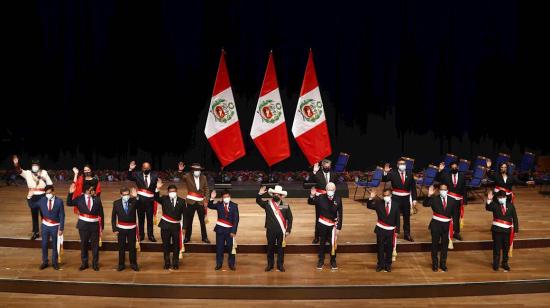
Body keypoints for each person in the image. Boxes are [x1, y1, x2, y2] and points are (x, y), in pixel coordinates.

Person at [13, 155, 53, 240]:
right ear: (31, 166)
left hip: (42, 196)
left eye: (36, 165)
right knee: (34, 215)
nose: (35, 166)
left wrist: (42, 178)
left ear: (39, 165)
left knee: (44, 215)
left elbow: (50, 184)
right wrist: (16, 164)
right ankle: (36, 232)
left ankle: (45, 232)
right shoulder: (27, 173)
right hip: (33, 196)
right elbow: (19, 171)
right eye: (33, 165)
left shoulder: (44, 172)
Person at [67, 183, 104, 271]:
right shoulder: (79, 199)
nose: (93, 191)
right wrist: (70, 193)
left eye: (93, 190)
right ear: (86, 191)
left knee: (95, 246)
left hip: (94, 226)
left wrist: (101, 226)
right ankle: (84, 263)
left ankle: (95, 264)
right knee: (84, 245)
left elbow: (101, 213)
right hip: (83, 225)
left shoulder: (97, 199)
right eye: (91, 190)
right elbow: (69, 203)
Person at [423, 184, 459, 272]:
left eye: (445, 189)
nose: (443, 191)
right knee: (434, 245)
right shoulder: (434, 198)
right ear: (439, 190)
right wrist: (429, 195)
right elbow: (425, 204)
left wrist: (455, 228)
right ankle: (435, 264)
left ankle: (443, 264)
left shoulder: (452, 200)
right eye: (441, 189)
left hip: (447, 226)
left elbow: (455, 215)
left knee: (444, 246)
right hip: (436, 225)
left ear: (447, 190)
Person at [256, 185, 293, 272]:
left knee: (281, 249)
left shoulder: (285, 205)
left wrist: (288, 230)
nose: (276, 196)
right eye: (274, 194)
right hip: (270, 230)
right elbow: (258, 201)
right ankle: (270, 265)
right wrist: (259, 194)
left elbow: (290, 218)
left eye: (278, 194)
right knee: (270, 248)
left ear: (281, 196)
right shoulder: (268, 204)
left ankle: (280, 265)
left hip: (281, 231)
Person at [28, 185, 64, 270]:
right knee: (44, 244)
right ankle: (45, 262)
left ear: (53, 192)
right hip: (45, 226)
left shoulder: (59, 201)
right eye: (46, 193)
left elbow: (62, 215)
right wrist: (29, 197)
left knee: (55, 245)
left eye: (49, 193)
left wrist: (61, 228)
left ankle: (55, 263)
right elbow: (32, 206)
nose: (48, 194)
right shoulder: (42, 200)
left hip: (55, 226)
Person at [308, 182, 343, 270]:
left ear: (335, 190)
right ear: (326, 190)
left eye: (332, 189)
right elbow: (311, 202)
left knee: (333, 243)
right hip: (322, 224)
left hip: (333, 225)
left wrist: (339, 227)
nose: (330, 191)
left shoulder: (338, 199)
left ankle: (333, 261)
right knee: (322, 243)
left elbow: (340, 213)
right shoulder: (320, 197)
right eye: (328, 189)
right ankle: (321, 260)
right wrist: (312, 195)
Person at [382, 158, 417, 242]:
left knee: (406, 217)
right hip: (395, 198)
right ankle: (393, 233)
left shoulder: (410, 174)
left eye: (403, 163)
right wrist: (385, 172)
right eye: (400, 163)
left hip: (406, 199)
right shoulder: (392, 173)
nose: (402, 165)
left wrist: (414, 199)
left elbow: (413, 188)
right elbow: (384, 179)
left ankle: (407, 234)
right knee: (394, 216)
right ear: (397, 165)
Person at [155, 181, 187, 270]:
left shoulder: (182, 201)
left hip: (176, 227)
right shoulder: (164, 199)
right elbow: (155, 197)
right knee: (166, 245)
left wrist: (184, 227)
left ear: (176, 192)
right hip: (165, 226)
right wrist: (157, 188)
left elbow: (185, 215)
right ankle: (167, 262)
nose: (172, 193)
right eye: (170, 191)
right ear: (168, 192)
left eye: (174, 191)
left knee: (176, 246)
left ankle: (175, 262)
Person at [366, 188, 400, 272]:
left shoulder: (396, 205)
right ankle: (380, 264)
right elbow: (369, 206)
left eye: (387, 195)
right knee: (380, 248)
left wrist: (397, 231)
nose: (386, 197)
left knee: (389, 248)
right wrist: (371, 198)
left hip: (391, 230)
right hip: (380, 229)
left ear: (391, 195)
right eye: (384, 195)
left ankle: (388, 265)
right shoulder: (379, 203)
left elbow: (398, 219)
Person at [486, 190, 519, 271]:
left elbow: (515, 218)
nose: (501, 199)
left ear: (506, 197)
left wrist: (516, 231)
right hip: (497, 231)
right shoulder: (494, 205)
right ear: (497, 198)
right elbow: (488, 208)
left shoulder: (510, 205)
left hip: (507, 231)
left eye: (503, 197)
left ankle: (505, 263)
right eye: (499, 197)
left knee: (506, 248)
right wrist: (489, 200)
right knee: (496, 248)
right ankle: (496, 264)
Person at [208, 189, 239, 271]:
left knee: (231, 248)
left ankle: (231, 264)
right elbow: (209, 206)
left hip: (230, 232)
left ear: (230, 197)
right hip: (220, 231)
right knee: (219, 248)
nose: (226, 198)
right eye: (224, 197)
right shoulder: (219, 204)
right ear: (222, 198)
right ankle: (219, 264)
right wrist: (211, 198)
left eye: (227, 196)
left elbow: (236, 220)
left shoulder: (234, 206)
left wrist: (233, 231)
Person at [127, 161, 158, 242]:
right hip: (140, 201)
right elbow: (129, 177)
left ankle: (150, 235)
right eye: (144, 168)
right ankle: (141, 235)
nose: (146, 169)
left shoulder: (155, 175)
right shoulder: (137, 174)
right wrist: (130, 169)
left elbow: (157, 186)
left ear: (150, 168)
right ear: (142, 168)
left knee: (150, 219)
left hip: (150, 201)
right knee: (141, 219)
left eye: (147, 168)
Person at [436, 161, 466, 240]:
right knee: (447, 215)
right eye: (453, 168)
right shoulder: (446, 175)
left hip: (458, 200)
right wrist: (440, 170)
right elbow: (438, 179)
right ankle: (444, 231)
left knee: (456, 216)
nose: (454, 169)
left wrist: (465, 200)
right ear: (450, 168)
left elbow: (464, 188)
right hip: (448, 199)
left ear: (458, 168)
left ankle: (456, 232)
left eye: (455, 167)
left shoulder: (462, 176)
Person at [111, 187, 140, 271]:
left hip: (132, 229)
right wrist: (114, 228)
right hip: (121, 229)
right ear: (121, 195)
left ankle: (133, 264)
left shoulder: (134, 201)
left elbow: (140, 205)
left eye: (128, 194)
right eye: (124, 195)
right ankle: (121, 264)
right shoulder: (116, 203)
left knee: (132, 247)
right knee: (121, 247)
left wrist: (136, 197)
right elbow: (113, 217)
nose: (126, 196)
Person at [310, 159, 338, 244]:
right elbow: (310, 180)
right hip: (320, 199)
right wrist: (314, 172)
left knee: (330, 217)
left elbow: (334, 186)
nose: (327, 167)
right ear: (322, 166)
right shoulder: (317, 174)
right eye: (325, 166)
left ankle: (329, 237)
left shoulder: (334, 174)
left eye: (329, 166)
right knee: (318, 217)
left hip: (330, 198)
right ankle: (317, 236)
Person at [183, 163, 210, 243]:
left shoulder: (203, 177)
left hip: (201, 202)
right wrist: (180, 171)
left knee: (202, 221)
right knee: (189, 221)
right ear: (192, 170)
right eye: (195, 170)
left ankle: (204, 237)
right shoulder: (187, 176)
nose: (197, 171)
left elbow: (207, 189)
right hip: (191, 201)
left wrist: (206, 200)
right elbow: (180, 176)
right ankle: (187, 237)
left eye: (198, 170)